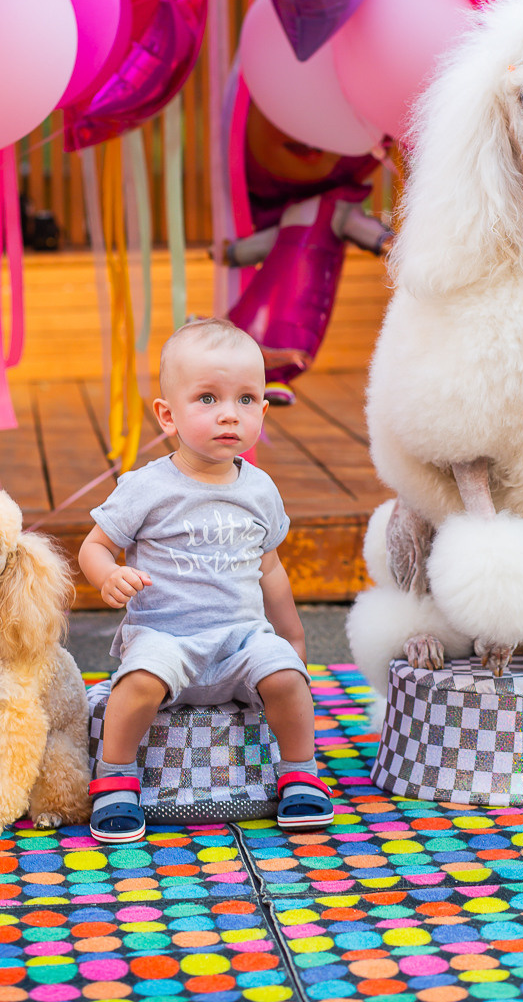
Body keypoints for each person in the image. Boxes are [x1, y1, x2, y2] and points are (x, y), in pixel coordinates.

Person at [78, 317, 333, 843]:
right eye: (208, 399)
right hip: (166, 637)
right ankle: (117, 779)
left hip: (240, 638)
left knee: (287, 678)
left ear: (263, 411)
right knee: (137, 683)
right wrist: (108, 576)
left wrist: (293, 639)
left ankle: (299, 774)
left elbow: (270, 569)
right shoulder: (146, 487)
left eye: (245, 400)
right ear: (168, 416)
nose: (228, 415)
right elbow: (95, 545)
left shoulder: (260, 490)